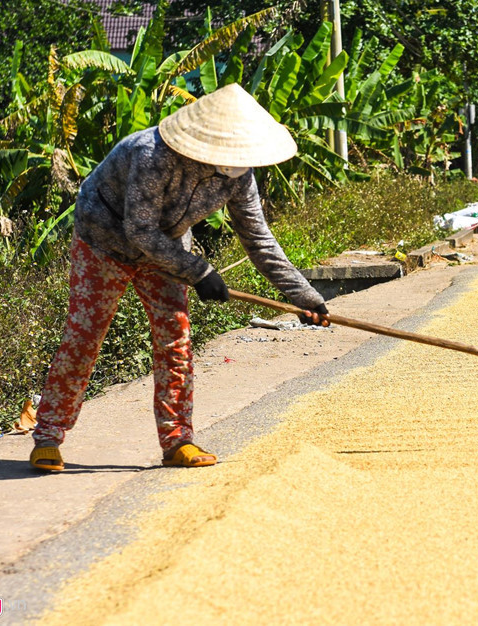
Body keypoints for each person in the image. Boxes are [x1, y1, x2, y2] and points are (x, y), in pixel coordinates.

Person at [28, 84, 329, 472]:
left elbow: (258, 238)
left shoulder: (239, 176)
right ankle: (48, 436)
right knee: (85, 335)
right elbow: (139, 231)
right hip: (104, 241)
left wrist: (304, 297)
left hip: (166, 249)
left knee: (176, 340)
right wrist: (199, 271)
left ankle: (177, 441)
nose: (241, 163)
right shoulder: (153, 155)